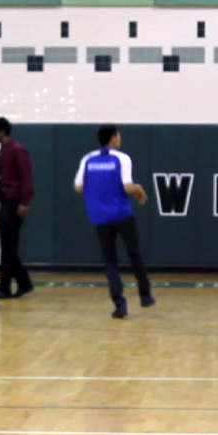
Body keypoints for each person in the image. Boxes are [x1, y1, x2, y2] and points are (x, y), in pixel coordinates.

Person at [74, 125, 154, 319]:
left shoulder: (88, 159)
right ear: (114, 139)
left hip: (99, 216)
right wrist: (141, 191)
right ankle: (145, 295)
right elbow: (128, 186)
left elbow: (78, 187)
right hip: (121, 214)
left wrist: (98, 192)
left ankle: (119, 304)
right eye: (119, 135)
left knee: (110, 261)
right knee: (134, 253)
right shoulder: (122, 158)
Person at [0, 117, 35, 299]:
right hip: (6, 201)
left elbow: (27, 177)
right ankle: (24, 283)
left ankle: (5, 287)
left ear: (1, 132)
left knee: (8, 246)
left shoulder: (17, 150)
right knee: (8, 246)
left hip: (14, 202)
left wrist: (25, 202)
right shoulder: (2, 152)